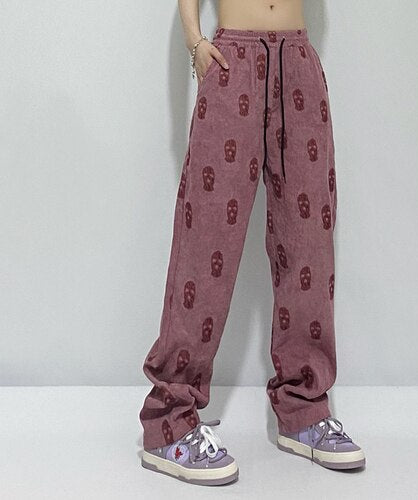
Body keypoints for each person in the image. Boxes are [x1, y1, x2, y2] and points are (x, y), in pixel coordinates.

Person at [139, 0, 365, 486]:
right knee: (207, 242)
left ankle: (304, 410)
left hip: (299, 62)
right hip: (231, 61)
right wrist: (195, 41)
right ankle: (168, 420)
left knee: (309, 244)